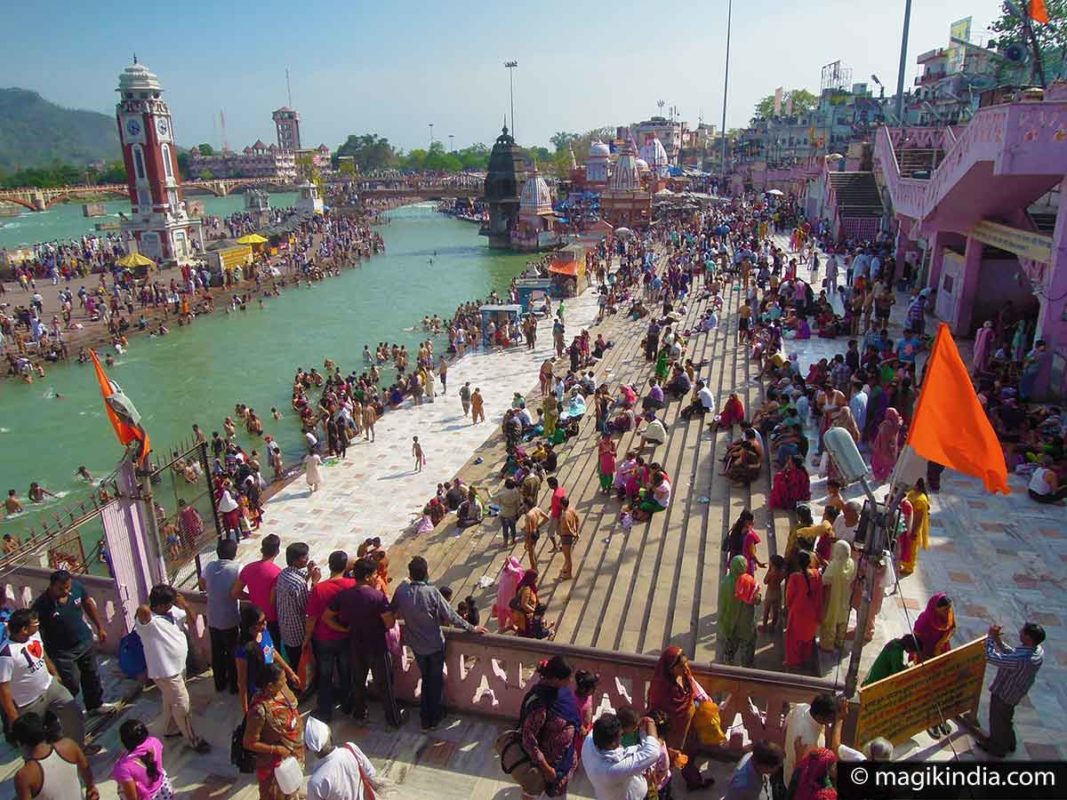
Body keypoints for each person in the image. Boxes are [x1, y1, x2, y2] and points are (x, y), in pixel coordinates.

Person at [390, 557, 486, 732]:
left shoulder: (401, 591)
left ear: (410, 574)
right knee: (434, 681)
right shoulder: (431, 592)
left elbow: (392, 612)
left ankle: (426, 716)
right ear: (426, 572)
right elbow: (451, 616)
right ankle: (430, 719)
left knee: (427, 679)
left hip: (416, 645)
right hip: (434, 645)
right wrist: (472, 628)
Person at [324, 558, 403, 727]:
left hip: (355, 643)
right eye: (375, 574)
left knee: (358, 682)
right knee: (384, 684)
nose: (377, 577)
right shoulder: (377, 597)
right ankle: (393, 719)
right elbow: (388, 623)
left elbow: (327, 617)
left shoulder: (344, 595)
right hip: (376, 645)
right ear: (368, 576)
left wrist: (343, 629)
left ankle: (360, 713)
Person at [134, 585, 210, 753]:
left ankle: (170, 728)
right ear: (159, 605)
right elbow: (142, 610)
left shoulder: (173, 612)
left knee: (170, 702)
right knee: (182, 705)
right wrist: (153, 603)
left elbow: (191, 618)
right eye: (168, 603)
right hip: (166, 672)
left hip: (179, 667)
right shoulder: (148, 623)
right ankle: (192, 739)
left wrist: (184, 604)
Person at [31, 570, 114, 716]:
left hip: (84, 641)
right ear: (51, 586)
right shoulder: (41, 606)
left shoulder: (76, 587)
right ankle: (62, 713)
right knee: (70, 684)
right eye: (60, 589)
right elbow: (36, 633)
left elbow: (87, 603)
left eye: (67, 587)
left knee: (92, 675)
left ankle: (95, 705)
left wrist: (99, 627)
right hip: (62, 652)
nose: (65, 591)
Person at [0, 610, 85, 747]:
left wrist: (54, 673)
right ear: (24, 629)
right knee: (30, 738)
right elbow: (3, 690)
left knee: (73, 714)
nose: (38, 625)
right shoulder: (6, 655)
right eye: (35, 624)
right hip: (28, 701)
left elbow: (42, 654)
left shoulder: (35, 635)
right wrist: (14, 719)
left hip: (50, 686)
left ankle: (77, 749)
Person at [646, 646, 713, 790]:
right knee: (669, 762)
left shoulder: (684, 673)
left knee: (690, 754)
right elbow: (655, 712)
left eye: (685, 664)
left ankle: (693, 781)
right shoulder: (660, 687)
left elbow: (692, 686)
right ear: (670, 668)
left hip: (688, 726)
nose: (685, 668)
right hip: (672, 732)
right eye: (681, 666)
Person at [518, 655, 581, 799]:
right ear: (555, 679)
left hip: (564, 759)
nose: (570, 682)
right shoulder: (539, 705)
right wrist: (546, 768)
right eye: (567, 678)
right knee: (534, 791)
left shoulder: (561, 691)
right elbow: (529, 740)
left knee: (559, 793)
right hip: (547, 765)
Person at [979, 622, 1046, 758]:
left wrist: (991, 638)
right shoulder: (1037, 651)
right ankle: (1009, 742)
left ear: (1028, 638)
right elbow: (1012, 655)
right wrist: (999, 641)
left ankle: (997, 748)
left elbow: (990, 657)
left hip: (1005, 693)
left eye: (1022, 632)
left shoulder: (1022, 659)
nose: (1019, 632)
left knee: (997, 720)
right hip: (1015, 692)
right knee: (1006, 718)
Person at [303, 550, 355, 722]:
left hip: (323, 639)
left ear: (330, 566)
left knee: (325, 675)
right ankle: (348, 705)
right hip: (345, 638)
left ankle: (325, 710)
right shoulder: (352, 585)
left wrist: (306, 638)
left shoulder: (319, 589)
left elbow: (312, 618)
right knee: (345, 671)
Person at [242, 662, 304, 800]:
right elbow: (249, 743)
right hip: (274, 764)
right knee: (275, 795)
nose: (286, 680)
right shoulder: (259, 711)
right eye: (282, 679)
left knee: (291, 788)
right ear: (270, 686)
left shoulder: (282, 689)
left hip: (293, 754)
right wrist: (276, 749)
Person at [11, 712, 98, 800]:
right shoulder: (69, 746)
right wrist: (91, 787)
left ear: (19, 743)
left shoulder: (24, 776)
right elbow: (87, 772)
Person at [581, 712, 662, 800]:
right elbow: (653, 752)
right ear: (613, 743)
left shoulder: (590, 740)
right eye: (621, 735)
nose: (622, 737)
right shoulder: (612, 769)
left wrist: (640, 729)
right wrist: (651, 724)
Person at [236, 604, 299, 713]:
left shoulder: (264, 633)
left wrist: (290, 672)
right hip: (259, 691)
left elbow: (272, 652)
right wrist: (246, 710)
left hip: (274, 681)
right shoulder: (243, 650)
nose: (265, 623)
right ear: (251, 626)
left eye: (265, 620)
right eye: (261, 622)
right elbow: (242, 682)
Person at [198, 539, 241, 694]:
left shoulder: (209, 566)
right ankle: (234, 686)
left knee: (217, 652)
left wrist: (212, 592)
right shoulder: (237, 568)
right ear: (234, 553)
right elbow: (238, 591)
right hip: (229, 618)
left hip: (213, 616)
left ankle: (220, 683)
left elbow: (201, 582)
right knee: (232, 653)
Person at [303, 716, 379, 800]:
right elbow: (371, 774)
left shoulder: (315, 783)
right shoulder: (351, 749)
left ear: (309, 748)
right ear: (331, 737)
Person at [272, 542, 320, 668]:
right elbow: (307, 607)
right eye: (304, 557)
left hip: (285, 627)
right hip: (297, 632)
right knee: (301, 663)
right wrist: (314, 583)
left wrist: (309, 573)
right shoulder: (298, 583)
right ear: (296, 560)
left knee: (293, 659)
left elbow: (297, 582)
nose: (308, 558)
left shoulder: (284, 573)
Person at [233, 534, 283, 646]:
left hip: (252, 617)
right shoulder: (277, 573)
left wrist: (251, 596)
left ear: (261, 550)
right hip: (271, 619)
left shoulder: (248, 568)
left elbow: (235, 592)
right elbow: (272, 601)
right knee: (272, 651)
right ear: (277, 552)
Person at [782, 694, 839, 783]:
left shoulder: (801, 707)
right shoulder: (808, 741)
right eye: (830, 719)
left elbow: (785, 727)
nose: (831, 723)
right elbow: (802, 771)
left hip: (788, 770)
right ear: (819, 717)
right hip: (800, 786)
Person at [112, 718, 171, 800]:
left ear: (124, 741)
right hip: (164, 791)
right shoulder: (155, 742)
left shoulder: (123, 767)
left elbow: (132, 798)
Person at [718, 555, 761, 666]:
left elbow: (723, 602)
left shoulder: (725, 582)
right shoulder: (748, 581)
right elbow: (757, 600)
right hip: (746, 621)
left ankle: (728, 661)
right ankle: (747, 665)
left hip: (729, 619)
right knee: (748, 644)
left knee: (730, 643)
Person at [784, 551, 824, 669]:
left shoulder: (794, 577)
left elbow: (789, 597)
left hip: (797, 612)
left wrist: (788, 607)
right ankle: (804, 658)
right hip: (812, 612)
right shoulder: (817, 575)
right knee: (807, 638)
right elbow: (820, 595)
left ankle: (793, 662)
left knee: (793, 639)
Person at [819, 540, 856, 652]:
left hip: (833, 598)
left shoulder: (834, 565)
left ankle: (827, 645)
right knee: (842, 620)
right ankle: (839, 641)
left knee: (830, 620)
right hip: (846, 598)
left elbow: (824, 580)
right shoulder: (851, 563)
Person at [898, 479, 930, 575]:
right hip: (908, 525)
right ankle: (902, 563)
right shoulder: (912, 493)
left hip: (914, 528)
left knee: (911, 549)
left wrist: (914, 531)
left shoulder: (921, 500)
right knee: (905, 546)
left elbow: (918, 518)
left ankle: (909, 568)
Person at [870, 408, 902, 482]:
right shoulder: (897, 423)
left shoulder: (886, 425)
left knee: (876, 462)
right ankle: (883, 477)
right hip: (892, 447)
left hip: (882, 447)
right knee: (888, 465)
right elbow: (900, 420)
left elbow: (882, 438)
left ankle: (878, 477)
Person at [559, 497, 580, 581]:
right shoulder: (572, 509)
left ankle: (569, 574)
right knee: (566, 555)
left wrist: (574, 534)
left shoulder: (565, 516)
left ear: (562, 504)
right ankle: (567, 569)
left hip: (566, 536)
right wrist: (577, 531)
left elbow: (567, 528)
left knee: (568, 557)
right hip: (568, 535)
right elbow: (577, 519)